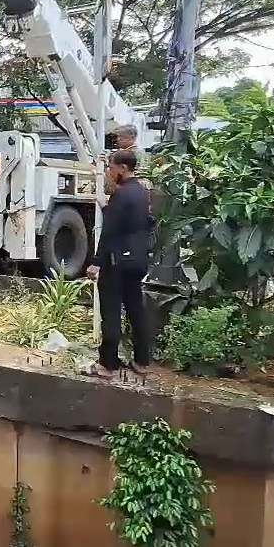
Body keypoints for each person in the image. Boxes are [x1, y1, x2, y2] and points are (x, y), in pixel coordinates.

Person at [85, 150, 154, 378]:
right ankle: (143, 361)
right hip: (138, 260)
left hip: (116, 262)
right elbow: (133, 222)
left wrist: (96, 262)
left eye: (111, 167)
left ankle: (108, 364)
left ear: (123, 169)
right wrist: (108, 208)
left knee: (111, 312)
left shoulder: (122, 194)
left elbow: (110, 232)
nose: (109, 172)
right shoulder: (141, 192)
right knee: (136, 310)